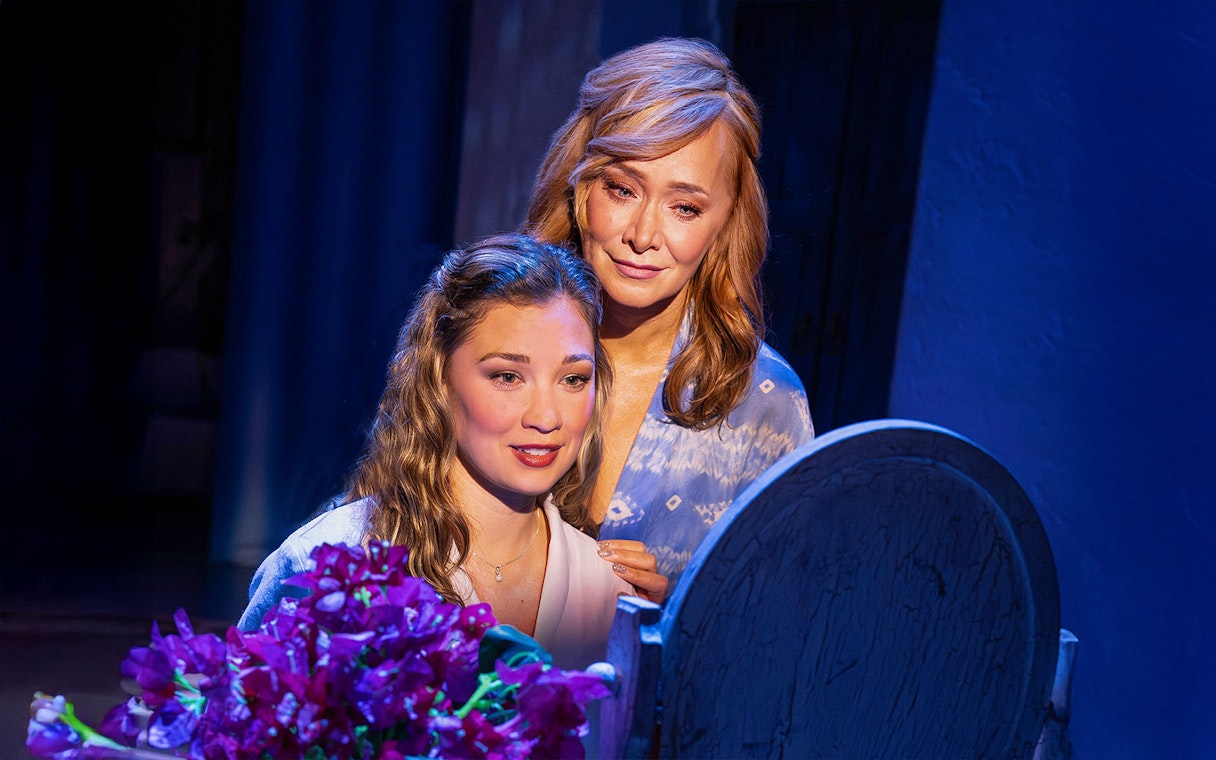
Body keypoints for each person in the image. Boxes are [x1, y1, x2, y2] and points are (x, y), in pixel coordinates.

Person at [238, 234, 632, 670]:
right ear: (439, 380)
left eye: (573, 379)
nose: (546, 417)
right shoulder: (328, 562)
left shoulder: (610, 593)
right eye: (507, 377)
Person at [526, 37, 815, 596]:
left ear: (725, 222)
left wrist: (672, 621)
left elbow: (783, 624)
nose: (643, 236)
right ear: (580, 188)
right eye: (622, 190)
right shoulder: (489, 339)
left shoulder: (765, 401)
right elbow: (401, 528)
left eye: (684, 207)